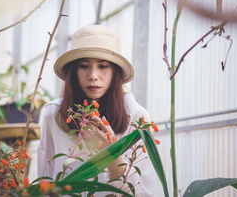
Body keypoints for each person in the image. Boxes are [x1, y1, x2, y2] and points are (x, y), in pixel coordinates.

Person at [37, 24, 158, 196]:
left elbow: (143, 192)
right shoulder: (53, 114)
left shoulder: (138, 118)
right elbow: (46, 180)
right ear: (73, 71)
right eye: (84, 66)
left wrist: (112, 153)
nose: (93, 75)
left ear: (115, 71)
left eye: (102, 66)